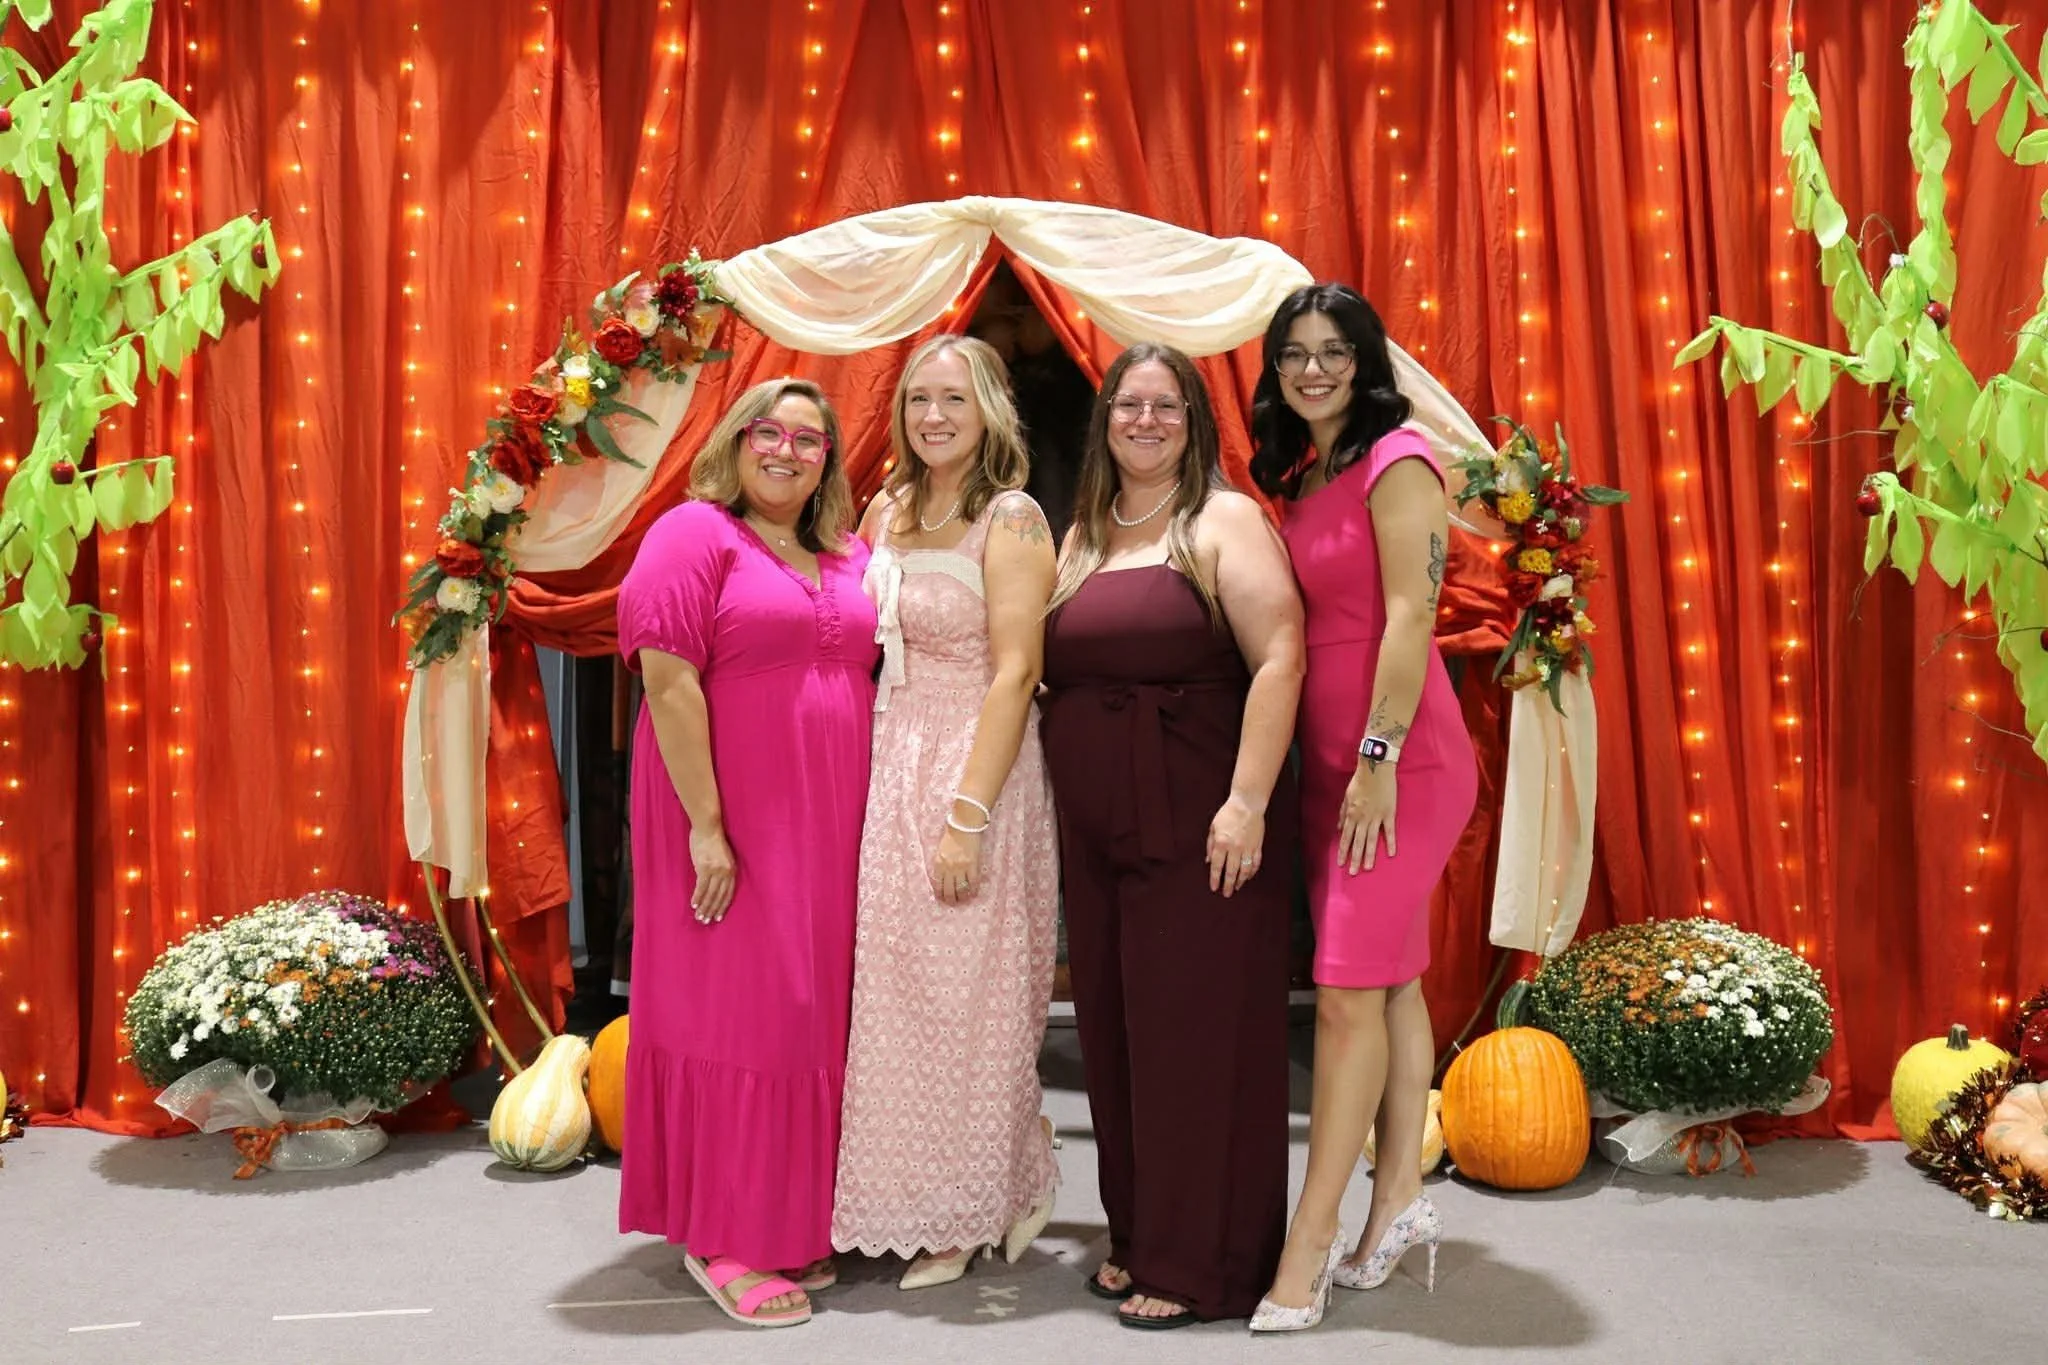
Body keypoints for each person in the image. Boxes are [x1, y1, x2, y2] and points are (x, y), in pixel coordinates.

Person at [1038, 342, 1305, 1330]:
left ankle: (1203, 1263)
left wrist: (1246, 801)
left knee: (1192, 1038)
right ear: (1103, 418)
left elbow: (1280, 656)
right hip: (1096, 830)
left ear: (1194, 422)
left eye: (1166, 407)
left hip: (1202, 821)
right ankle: (1139, 1235)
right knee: (1114, 1036)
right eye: (1127, 405)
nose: (1144, 422)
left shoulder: (1222, 520)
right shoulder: (1084, 531)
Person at [614, 378, 879, 1329]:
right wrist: (708, 825)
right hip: (725, 815)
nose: (785, 451)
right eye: (768, 431)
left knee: (809, 1014)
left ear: (828, 460)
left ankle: (789, 1215)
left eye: (809, 439)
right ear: (735, 441)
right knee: (740, 1016)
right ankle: (722, 1233)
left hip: (831, 817)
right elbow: (668, 681)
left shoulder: (849, 552)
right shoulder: (694, 533)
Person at [1248, 284, 1479, 1333]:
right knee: (1390, 987)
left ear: (1365, 360)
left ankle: (1310, 1241)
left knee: (1346, 996)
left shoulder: (1399, 458)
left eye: (1332, 351)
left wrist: (1376, 757)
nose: (1312, 370)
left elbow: (1409, 615)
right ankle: (1397, 1203)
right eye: (1293, 353)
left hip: (1398, 760)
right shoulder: (1307, 472)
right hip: (1331, 761)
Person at [830, 334, 1062, 1288]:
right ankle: (974, 1178)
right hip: (891, 758)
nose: (933, 416)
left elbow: (1018, 671)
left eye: (954, 400)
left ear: (989, 411)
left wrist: (967, 815)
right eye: (920, 399)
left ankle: (964, 1209)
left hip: (975, 763)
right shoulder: (885, 508)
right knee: (896, 994)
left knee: (969, 993)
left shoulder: (1011, 519)